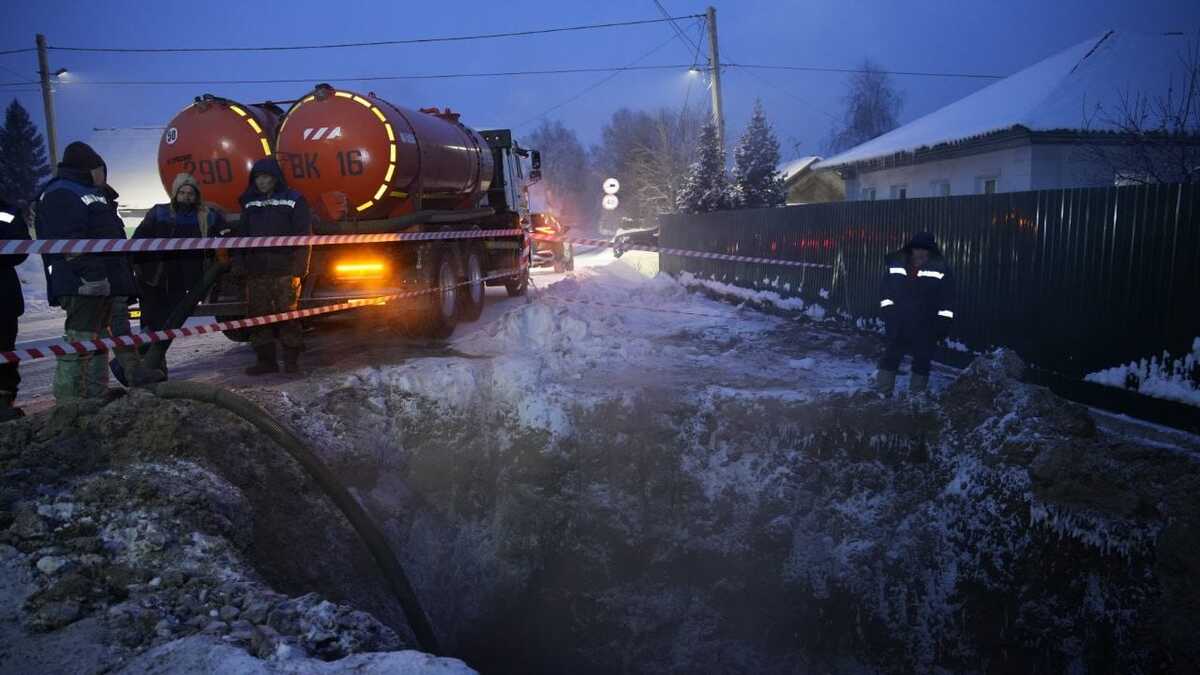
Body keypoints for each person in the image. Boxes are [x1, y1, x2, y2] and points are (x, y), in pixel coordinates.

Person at [35, 141, 164, 401]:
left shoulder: (90, 193)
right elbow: (68, 240)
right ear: (90, 169)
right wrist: (91, 276)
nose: (104, 175)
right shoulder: (63, 193)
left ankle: (96, 394)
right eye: (101, 170)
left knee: (98, 340)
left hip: (102, 280)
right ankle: (71, 401)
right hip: (81, 282)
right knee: (81, 339)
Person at [131, 173, 227, 373]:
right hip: (153, 277)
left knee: (168, 324)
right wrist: (136, 265)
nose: (186, 197)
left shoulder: (206, 216)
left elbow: (224, 233)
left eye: (190, 193)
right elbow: (139, 239)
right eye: (182, 192)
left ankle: (152, 367)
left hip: (183, 280)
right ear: (175, 193)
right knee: (149, 323)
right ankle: (144, 367)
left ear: (196, 195)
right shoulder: (159, 213)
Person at [234, 157, 311, 375]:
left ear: (275, 178)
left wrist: (300, 266)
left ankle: (291, 361)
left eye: (266, 177)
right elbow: (241, 236)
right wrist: (239, 263)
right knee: (258, 317)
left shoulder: (294, 200)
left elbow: (304, 235)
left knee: (288, 317)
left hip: (285, 270)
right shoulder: (249, 203)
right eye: (257, 177)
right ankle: (266, 361)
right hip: (256, 271)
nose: (261, 182)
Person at [876, 231, 955, 396]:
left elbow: (947, 300)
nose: (920, 252)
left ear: (931, 250)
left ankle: (916, 398)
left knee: (922, 361)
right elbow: (885, 292)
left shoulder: (941, 269)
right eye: (917, 248)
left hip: (926, 324)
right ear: (911, 249)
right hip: (898, 322)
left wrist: (942, 325)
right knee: (890, 357)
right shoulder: (896, 264)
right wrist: (889, 312)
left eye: (924, 249)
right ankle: (883, 393)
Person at [0, 197, 29, 421]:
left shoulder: (7, 211)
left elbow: (21, 247)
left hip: (3, 295)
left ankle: (4, 401)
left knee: (5, 349)